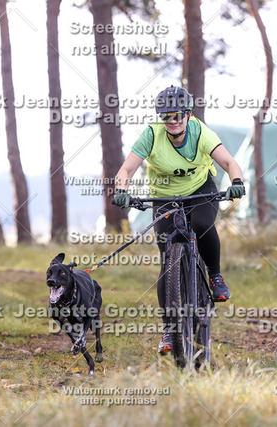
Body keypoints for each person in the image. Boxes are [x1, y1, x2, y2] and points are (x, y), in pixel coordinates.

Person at [112, 85, 245, 354]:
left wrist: (237, 182)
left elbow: (230, 163)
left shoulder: (201, 133)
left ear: (188, 114)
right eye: (166, 116)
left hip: (200, 190)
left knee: (202, 225)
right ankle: (169, 331)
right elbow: (126, 169)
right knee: (167, 263)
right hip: (164, 197)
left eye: (177, 115)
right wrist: (121, 191)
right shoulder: (151, 135)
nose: (172, 121)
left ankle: (215, 276)